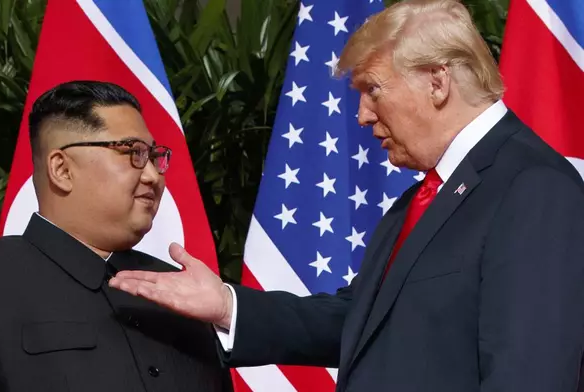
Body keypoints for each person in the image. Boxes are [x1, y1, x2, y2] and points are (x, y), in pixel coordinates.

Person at [108, 0, 584, 391]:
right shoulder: (421, 199)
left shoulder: (533, 186)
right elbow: (358, 320)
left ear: (437, 81)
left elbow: (531, 375)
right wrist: (228, 305)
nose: (362, 115)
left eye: (373, 90)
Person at [0, 81, 232, 392]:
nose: (152, 175)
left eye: (154, 156)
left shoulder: (183, 291)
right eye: (133, 152)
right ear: (62, 170)